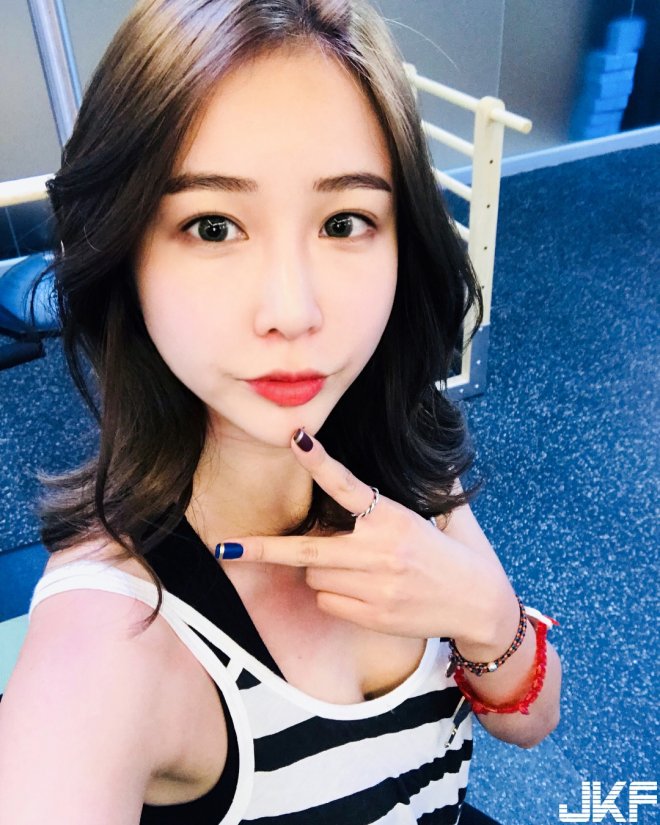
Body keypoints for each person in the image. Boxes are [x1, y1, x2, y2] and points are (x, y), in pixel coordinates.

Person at [0, 1, 561, 823]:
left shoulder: (399, 459)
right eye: (214, 226)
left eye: (344, 221)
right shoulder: (109, 640)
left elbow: (532, 720)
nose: (293, 311)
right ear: (127, 254)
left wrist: (484, 612)